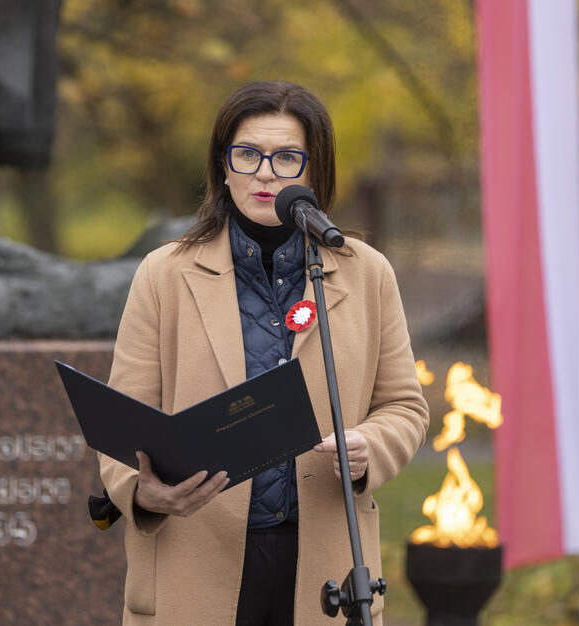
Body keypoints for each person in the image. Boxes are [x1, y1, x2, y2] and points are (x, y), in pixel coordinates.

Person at [99, 80, 428, 625]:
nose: (265, 172)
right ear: (223, 167)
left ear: (315, 171)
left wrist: (372, 444)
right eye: (247, 154)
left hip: (325, 564)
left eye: (287, 158)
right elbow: (120, 422)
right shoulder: (163, 274)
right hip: (195, 562)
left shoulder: (367, 273)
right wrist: (144, 492)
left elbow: (405, 406)